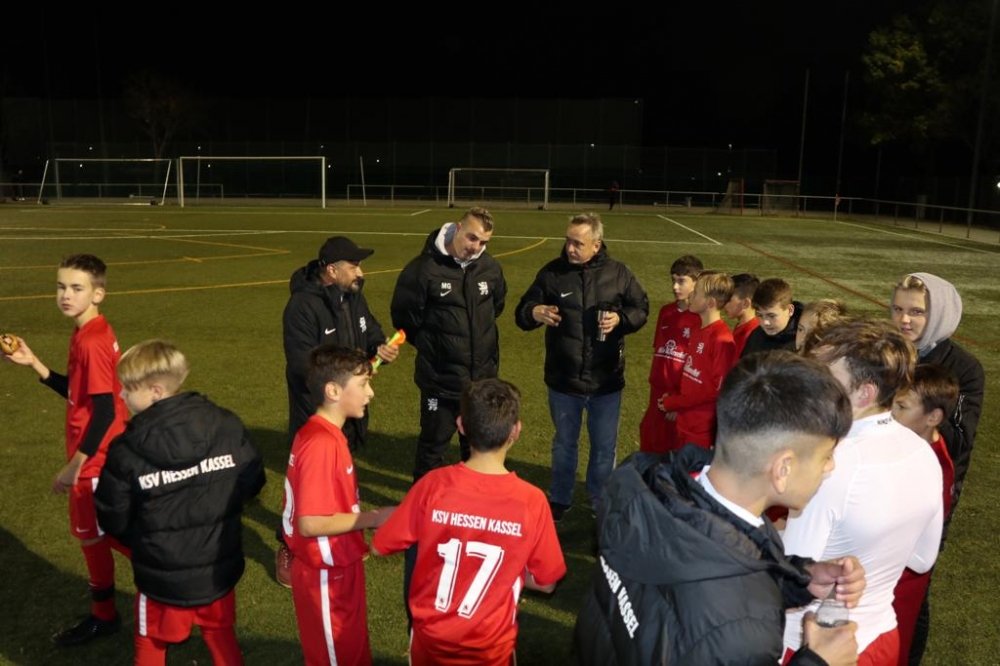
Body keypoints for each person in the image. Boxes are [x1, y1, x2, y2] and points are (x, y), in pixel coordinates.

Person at [573, 351, 864, 665]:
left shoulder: (647, 481)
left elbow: (699, 574)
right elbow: (720, 605)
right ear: (783, 469)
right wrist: (818, 662)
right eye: (826, 455)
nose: (830, 466)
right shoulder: (741, 634)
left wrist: (799, 577)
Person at [372, 378, 567, 665]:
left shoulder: (433, 485)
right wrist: (508, 570)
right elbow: (546, 582)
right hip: (490, 649)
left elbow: (380, 545)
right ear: (516, 430)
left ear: (461, 426)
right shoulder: (531, 501)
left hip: (431, 642)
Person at [93, 340, 266, 665]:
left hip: (162, 578)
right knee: (221, 636)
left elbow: (112, 516)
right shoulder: (226, 424)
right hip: (217, 567)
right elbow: (252, 479)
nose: (121, 394)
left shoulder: (125, 449)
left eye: (128, 387)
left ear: (156, 391)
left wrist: (148, 541)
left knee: (150, 642)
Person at [783, 318, 944, 664]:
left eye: (825, 377)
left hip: (813, 645)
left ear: (864, 394)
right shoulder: (923, 451)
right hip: (881, 637)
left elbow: (790, 573)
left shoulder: (829, 462)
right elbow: (921, 559)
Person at [2, 253, 130, 646]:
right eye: (61, 287)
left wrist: (77, 463)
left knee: (100, 536)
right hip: (100, 454)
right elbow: (81, 396)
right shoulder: (88, 332)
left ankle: (127, 609)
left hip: (96, 459)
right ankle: (149, 597)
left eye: (76, 288)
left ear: (98, 294)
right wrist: (35, 364)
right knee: (101, 534)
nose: (66, 295)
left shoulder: (91, 341)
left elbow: (105, 411)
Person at [278, 235, 399, 586]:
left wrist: (380, 347)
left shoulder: (353, 297)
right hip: (317, 409)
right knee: (305, 485)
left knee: (340, 478)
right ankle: (287, 545)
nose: (361, 272)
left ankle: (344, 531)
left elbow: (370, 329)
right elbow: (302, 364)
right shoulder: (302, 306)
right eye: (354, 266)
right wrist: (342, 384)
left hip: (347, 405)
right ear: (332, 270)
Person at [514, 212, 648, 520]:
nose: (570, 248)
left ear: (596, 244)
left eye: (578, 243)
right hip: (564, 381)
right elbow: (522, 311)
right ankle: (560, 498)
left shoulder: (619, 273)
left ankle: (600, 501)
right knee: (564, 444)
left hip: (606, 381)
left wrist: (621, 319)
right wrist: (535, 312)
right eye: (568, 241)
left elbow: (641, 307)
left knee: (604, 448)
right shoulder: (552, 273)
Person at [281, 345, 395, 666]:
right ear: (333, 391)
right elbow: (311, 523)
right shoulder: (321, 443)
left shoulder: (327, 434)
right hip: (325, 574)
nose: (370, 393)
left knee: (353, 653)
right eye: (363, 384)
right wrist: (374, 518)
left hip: (340, 564)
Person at [390, 206, 507, 482]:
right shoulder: (422, 269)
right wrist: (437, 347)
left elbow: (496, 306)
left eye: (483, 242)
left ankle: (470, 500)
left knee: (477, 449)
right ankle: (425, 502)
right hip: (440, 382)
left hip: (481, 382)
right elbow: (404, 318)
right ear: (458, 227)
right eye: (472, 237)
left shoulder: (490, 268)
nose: (476, 247)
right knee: (433, 447)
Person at [890, 273, 984, 515]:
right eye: (898, 309)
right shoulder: (886, 353)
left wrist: (920, 406)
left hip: (927, 491)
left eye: (916, 312)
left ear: (940, 314)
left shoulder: (964, 368)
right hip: (879, 476)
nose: (904, 319)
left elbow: (959, 442)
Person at [889, 363, 959, 666]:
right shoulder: (915, 449)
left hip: (897, 585)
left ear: (933, 417)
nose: (891, 414)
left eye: (902, 407)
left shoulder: (933, 468)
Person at [656, 270, 736, 449]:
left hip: (702, 430)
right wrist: (676, 399)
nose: (691, 295)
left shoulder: (721, 339)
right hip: (685, 423)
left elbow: (716, 390)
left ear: (710, 303)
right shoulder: (699, 330)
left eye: (696, 292)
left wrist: (675, 402)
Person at [638, 254, 702, 453]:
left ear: (697, 282)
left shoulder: (700, 319)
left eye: (681, 281)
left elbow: (698, 367)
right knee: (650, 444)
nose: (675, 286)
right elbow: (660, 350)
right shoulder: (665, 312)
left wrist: (679, 401)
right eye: (673, 280)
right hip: (657, 393)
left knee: (674, 452)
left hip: (679, 398)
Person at [740, 277, 802, 357]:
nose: (765, 322)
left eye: (771, 316)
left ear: (790, 310)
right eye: (760, 315)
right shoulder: (756, 335)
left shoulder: (802, 342)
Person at [724, 271, 760, 360]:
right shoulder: (743, 325)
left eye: (728, 300)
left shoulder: (750, 335)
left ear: (745, 303)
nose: (724, 303)